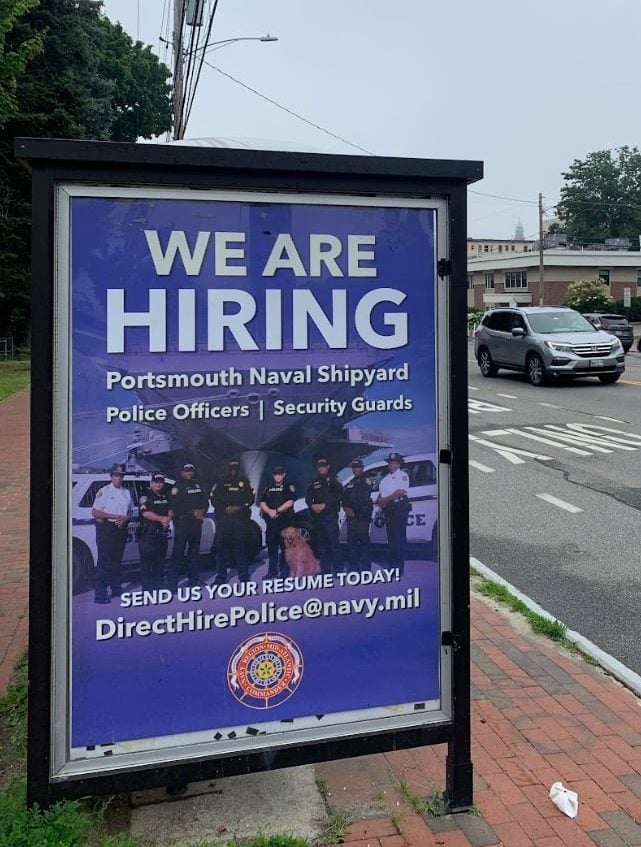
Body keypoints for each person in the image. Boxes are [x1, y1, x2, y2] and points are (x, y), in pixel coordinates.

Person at [91, 463, 133, 604]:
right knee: (104, 562)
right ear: (111, 476)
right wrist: (116, 517)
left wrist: (125, 518)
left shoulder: (126, 492)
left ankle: (116, 589)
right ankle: (100, 594)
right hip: (107, 529)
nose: (119, 478)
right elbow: (95, 512)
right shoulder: (104, 491)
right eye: (116, 475)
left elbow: (130, 510)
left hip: (121, 528)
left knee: (117, 561)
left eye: (121, 476)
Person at [210, 459, 254, 583]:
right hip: (223, 520)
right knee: (221, 550)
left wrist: (239, 508)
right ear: (228, 469)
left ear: (238, 468)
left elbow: (250, 499)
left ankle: (243, 575)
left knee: (240, 548)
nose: (233, 470)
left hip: (239, 520)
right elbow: (214, 498)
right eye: (231, 468)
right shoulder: (221, 482)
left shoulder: (244, 482)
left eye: (235, 468)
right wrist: (225, 508)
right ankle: (221, 577)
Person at [167, 463, 208, 591]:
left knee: (194, 553)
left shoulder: (198, 485)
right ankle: (172, 584)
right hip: (182, 523)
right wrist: (192, 512)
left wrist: (202, 511)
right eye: (187, 471)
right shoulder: (177, 486)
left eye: (191, 471)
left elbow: (205, 502)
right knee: (178, 554)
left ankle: (193, 581)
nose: (189, 473)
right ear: (182, 472)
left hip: (196, 524)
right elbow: (174, 506)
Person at [305, 456, 343, 575]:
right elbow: (308, 497)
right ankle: (325, 570)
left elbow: (339, 495)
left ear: (328, 467)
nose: (321, 469)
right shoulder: (314, 482)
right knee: (322, 545)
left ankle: (338, 569)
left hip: (330, 516)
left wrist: (325, 505)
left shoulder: (334, 480)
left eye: (323, 466)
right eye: (319, 467)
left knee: (334, 543)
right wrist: (312, 505)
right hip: (318, 518)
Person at [376, 452, 410, 575]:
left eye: (395, 463)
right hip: (389, 510)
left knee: (399, 539)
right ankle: (393, 566)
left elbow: (400, 491)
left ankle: (399, 569)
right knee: (391, 539)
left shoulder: (402, 475)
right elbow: (382, 493)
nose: (392, 465)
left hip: (399, 508)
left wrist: (384, 500)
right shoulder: (385, 479)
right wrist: (379, 500)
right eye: (390, 463)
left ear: (398, 464)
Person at [259, 465, 296, 577]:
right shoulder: (268, 486)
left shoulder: (289, 486)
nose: (278, 476)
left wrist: (277, 510)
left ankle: (284, 573)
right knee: (272, 549)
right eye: (276, 474)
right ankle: (272, 572)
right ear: (273, 475)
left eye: (280, 474)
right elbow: (262, 502)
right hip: (271, 523)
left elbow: (290, 501)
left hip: (284, 522)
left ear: (283, 475)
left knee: (285, 548)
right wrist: (269, 511)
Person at [137, 472, 171, 591]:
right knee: (147, 563)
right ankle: (147, 588)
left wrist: (168, 519)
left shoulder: (165, 495)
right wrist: (162, 519)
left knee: (160, 561)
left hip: (161, 533)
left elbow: (171, 510)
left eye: (160, 482)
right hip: (148, 535)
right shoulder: (145, 496)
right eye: (156, 482)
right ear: (151, 483)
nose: (158, 484)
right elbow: (145, 513)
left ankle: (159, 584)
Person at [342, 458, 373, 572]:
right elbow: (344, 497)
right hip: (351, 517)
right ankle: (353, 567)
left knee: (364, 542)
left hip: (362, 515)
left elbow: (363, 498)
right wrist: (346, 508)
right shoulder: (351, 482)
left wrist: (352, 509)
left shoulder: (366, 480)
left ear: (362, 468)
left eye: (358, 467)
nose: (356, 469)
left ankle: (365, 569)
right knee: (352, 543)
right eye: (354, 468)